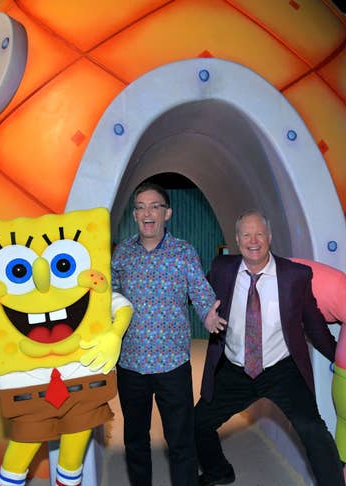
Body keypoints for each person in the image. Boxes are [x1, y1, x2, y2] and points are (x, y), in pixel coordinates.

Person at [195, 209, 345, 486]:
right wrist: (204, 312)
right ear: (237, 240)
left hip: (282, 370)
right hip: (234, 370)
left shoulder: (295, 275)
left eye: (260, 234)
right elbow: (198, 294)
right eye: (247, 235)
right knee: (197, 424)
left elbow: (313, 324)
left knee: (313, 429)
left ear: (270, 237)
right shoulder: (221, 268)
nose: (254, 241)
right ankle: (219, 472)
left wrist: (342, 358)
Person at [112, 181, 226, 486]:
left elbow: (201, 293)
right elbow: (108, 297)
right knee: (135, 441)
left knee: (181, 442)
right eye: (140, 207)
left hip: (172, 365)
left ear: (167, 213)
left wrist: (209, 314)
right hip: (130, 365)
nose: (147, 213)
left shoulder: (184, 252)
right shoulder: (122, 254)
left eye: (154, 206)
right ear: (134, 215)